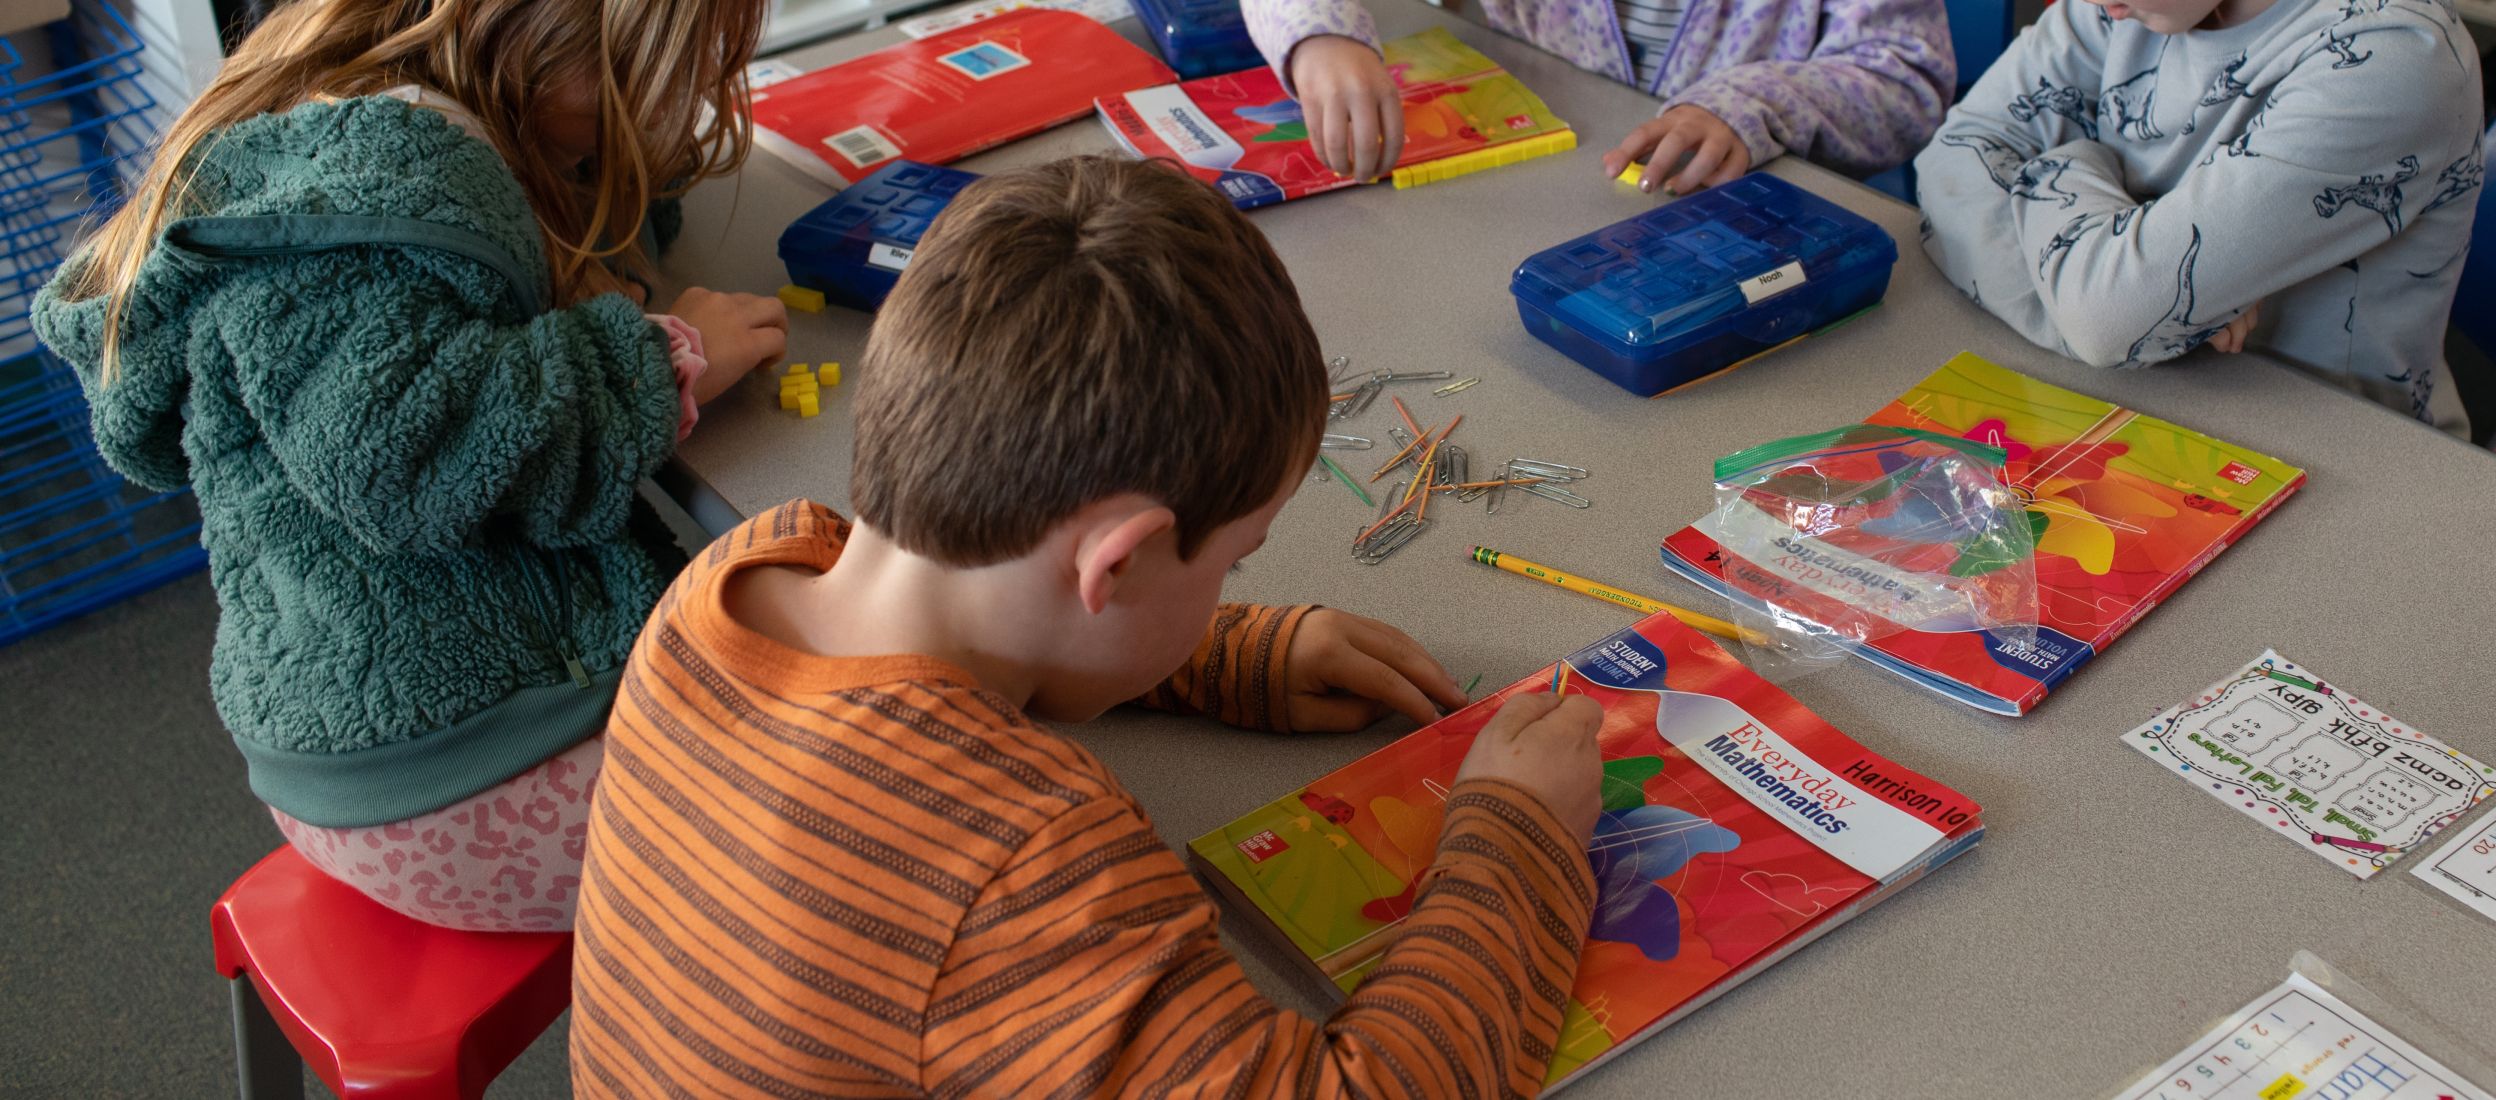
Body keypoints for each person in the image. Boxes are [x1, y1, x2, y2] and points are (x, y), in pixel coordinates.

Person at [568, 156, 1607, 1098]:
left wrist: (1225, 650)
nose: (1231, 584)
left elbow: (993, 618)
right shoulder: (1022, 858)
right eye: (1232, 559)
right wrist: (1517, 841)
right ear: (1115, 562)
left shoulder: (746, 572)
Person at [32, 0, 791, 931]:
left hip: (382, 759)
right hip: (466, 774)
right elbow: (408, 456)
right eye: (660, 79)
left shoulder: (399, 118)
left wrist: (626, 189)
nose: (687, 109)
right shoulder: (392, 176)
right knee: (867, 781)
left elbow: (545, 225)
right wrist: (661, 359)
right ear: (546, 38)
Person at [1911, 0, 2485, 434]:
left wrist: (2064, 162)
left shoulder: (2395, 53)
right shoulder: (2125, 8)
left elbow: (2111, 316)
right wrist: (2141, 307)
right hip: (2132, 402)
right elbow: (1955, 157)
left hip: (2337, 452)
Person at [1247, 0, 1957, 193]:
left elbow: (1904, 81)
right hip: (1541, 189)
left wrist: (1751, 104)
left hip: (1742, 224)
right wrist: (1318, 34)